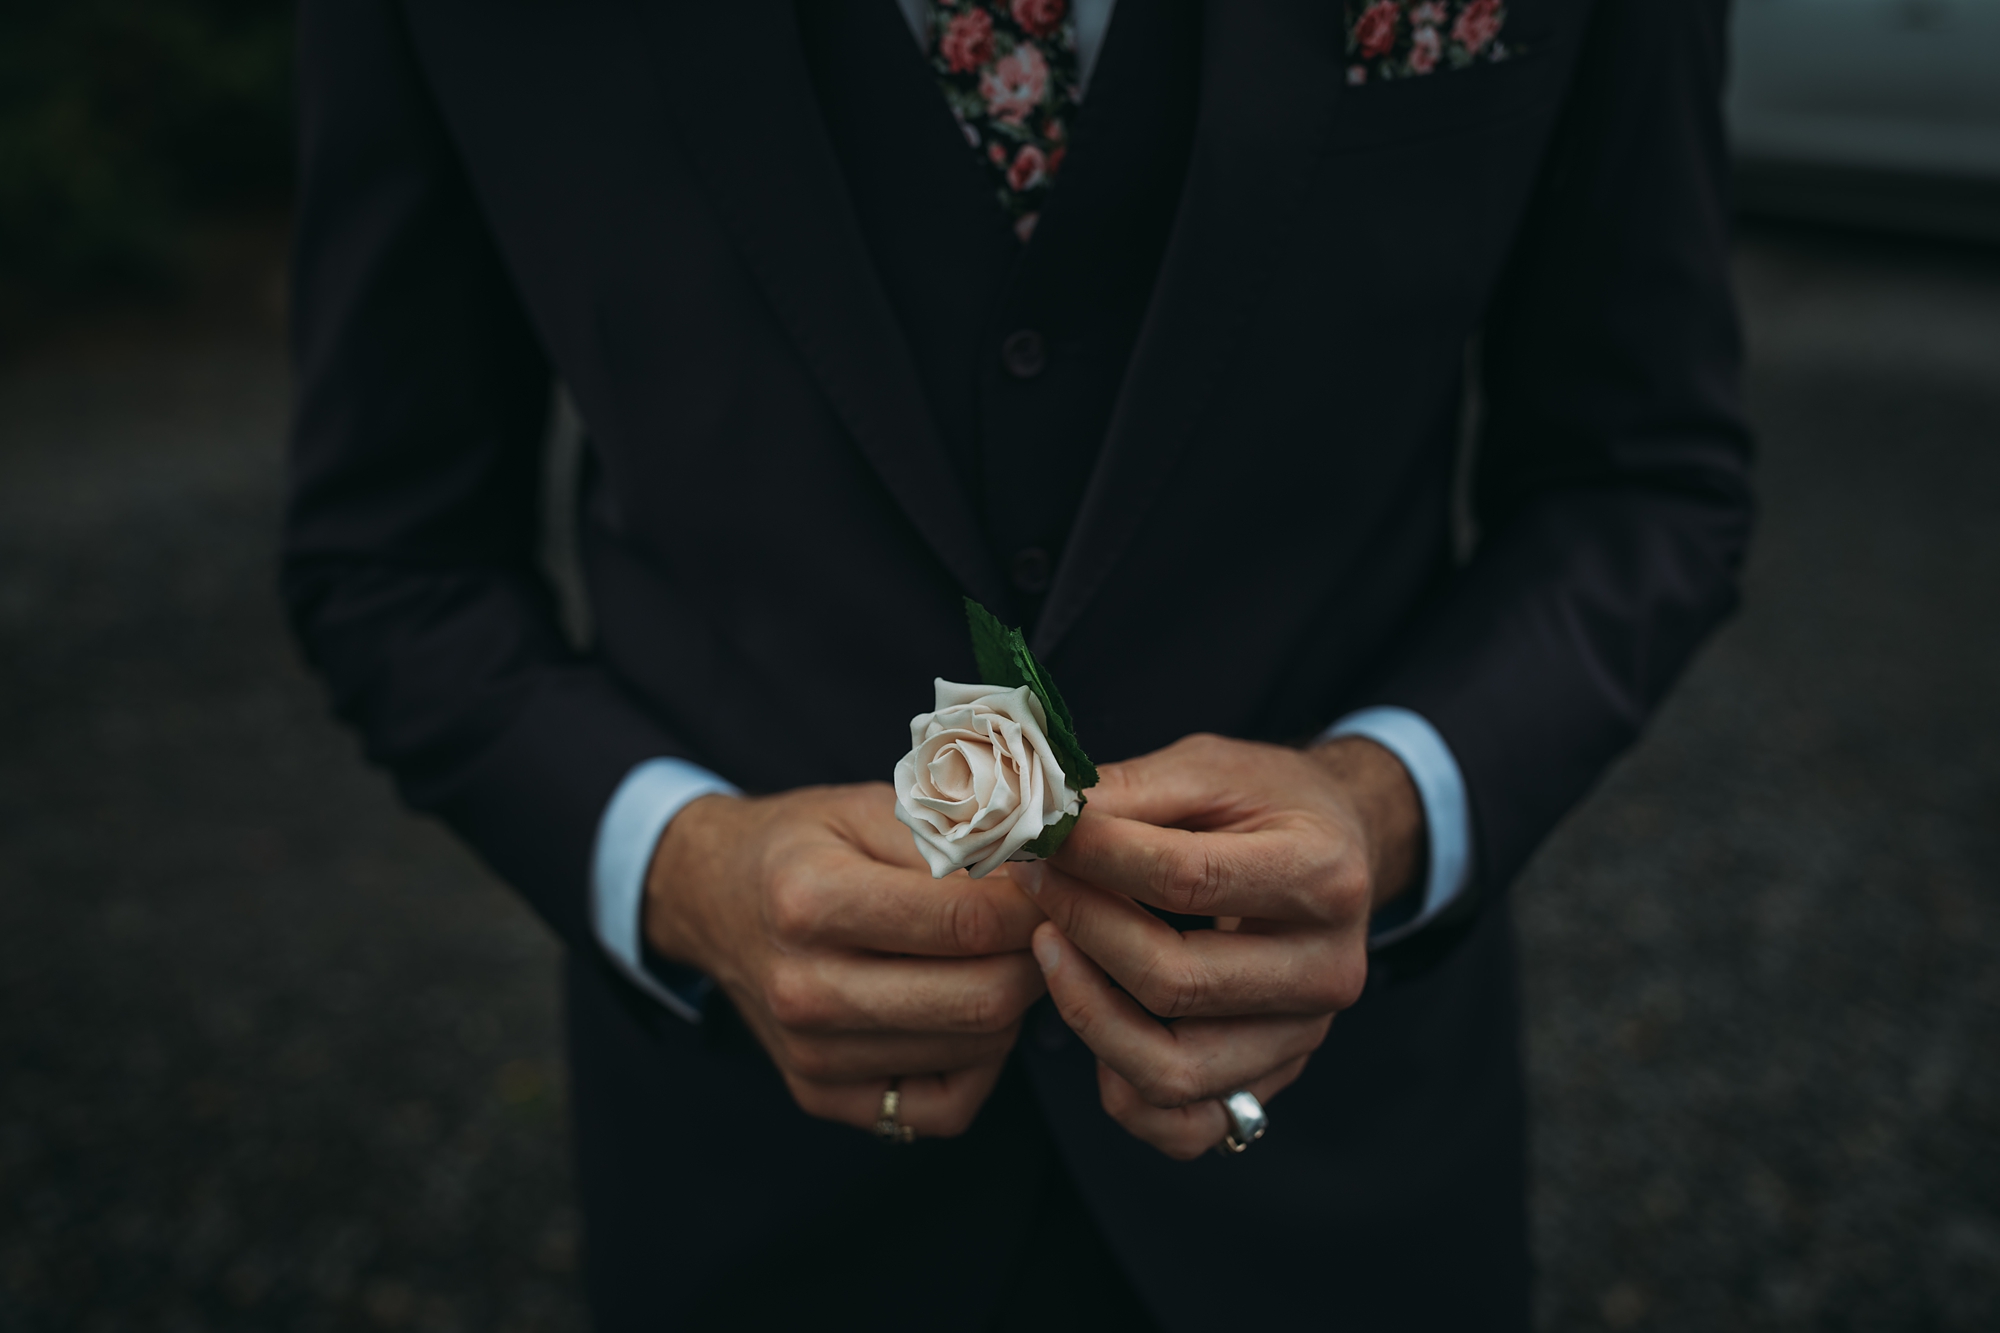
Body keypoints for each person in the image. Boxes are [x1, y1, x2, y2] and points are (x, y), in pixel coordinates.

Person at [283, 0, 1753, 1327]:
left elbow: (1642, 484)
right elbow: (392, 560)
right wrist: (682, 868)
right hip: (763, 1192)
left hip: (1338, 1178)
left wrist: (1382, 802)